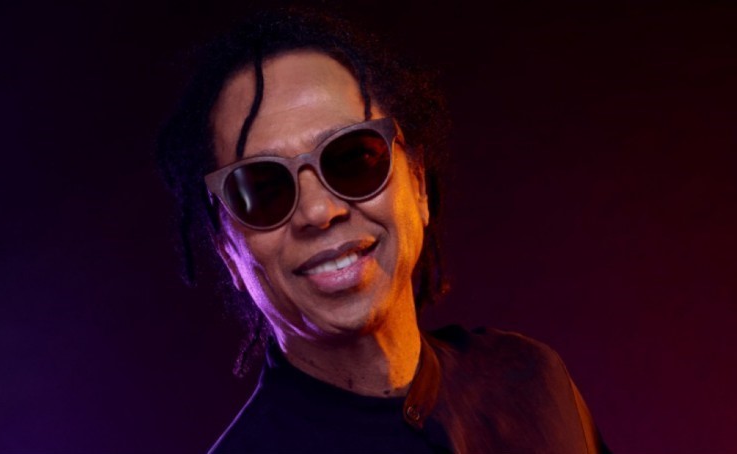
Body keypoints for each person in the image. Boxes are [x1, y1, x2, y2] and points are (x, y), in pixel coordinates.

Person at [156, 8, 610, 454]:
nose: (319, 211)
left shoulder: (534, 382)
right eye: (264, 188)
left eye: (353, 157)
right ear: (229, 252)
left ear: (418, 185)